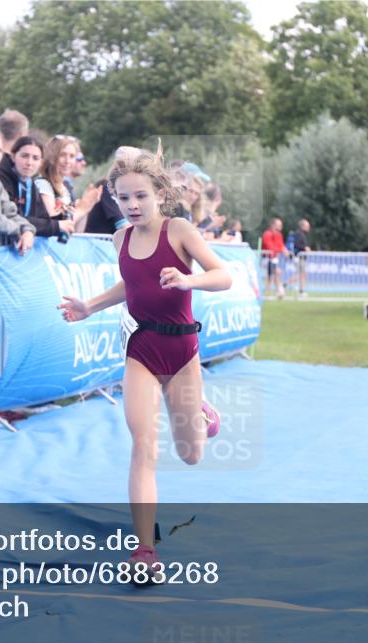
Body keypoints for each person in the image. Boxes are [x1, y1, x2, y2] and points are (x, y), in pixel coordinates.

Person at [58, 146, 232, 579]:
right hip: (141, 348)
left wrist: (188, 278)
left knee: (190, 454)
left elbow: (223, 275)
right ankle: (145, 551)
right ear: (114, 199)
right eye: (123, 198)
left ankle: (204, 414)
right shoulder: (120, 238)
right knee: (143, 446)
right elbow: (130, 283)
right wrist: (90, 306)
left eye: (140, 196)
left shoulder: (180, 231)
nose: (132, 205)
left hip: (183, 352)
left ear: (159, 194)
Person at [1, 134, 70, 239]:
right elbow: (14, 217)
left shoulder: (31, 184)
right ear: (13, 156)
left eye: (35, 158)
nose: (29, 163)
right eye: (24, 156)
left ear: (41, 162)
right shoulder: (2, 179)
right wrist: (57, 226)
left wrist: (63, 216)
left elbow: (43, 218)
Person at [37, 136, 99, 232]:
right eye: (62, 155)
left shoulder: (65, 188)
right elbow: (53, 222)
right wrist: (81, 209)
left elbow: (77, 231)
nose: (67, 161)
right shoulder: (42, 184)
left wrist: (86, 206)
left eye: (72, 156)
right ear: (52, 157)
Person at [261, 217, 290, 299]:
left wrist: (285, 250)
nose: (281, 226)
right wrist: (281, 250)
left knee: (275, 275)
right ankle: (270, 294)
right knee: (270, 276)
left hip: (274, 258)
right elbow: (270, 247)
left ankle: (278, 292)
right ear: (273, 225)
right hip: (267, 258)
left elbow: (281, 245)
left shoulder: (279, 235)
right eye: (279, 225)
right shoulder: (267, 234)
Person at [292, 218, 311, 298]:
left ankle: (300, 290)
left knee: (301, 274)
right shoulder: (299, 234)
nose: (309, 227)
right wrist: (305, 248)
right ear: (302, 226)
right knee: (302, 275)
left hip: (300, 257)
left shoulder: (301, 234)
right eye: (307, 226)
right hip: (299, 257)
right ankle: (301, 291)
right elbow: (296, 245)